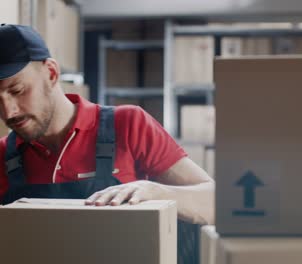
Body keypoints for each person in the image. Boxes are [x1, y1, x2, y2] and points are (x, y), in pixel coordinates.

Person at [0, 24, 214, 261]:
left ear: (51, 73)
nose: (8, 112)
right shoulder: (3, 155)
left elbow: (214, 203)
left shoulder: (128, 125)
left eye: (17, 90)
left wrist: (156, 192)